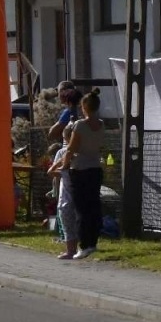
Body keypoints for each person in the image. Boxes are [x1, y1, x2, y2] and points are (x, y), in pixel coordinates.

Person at [62, 90, 106, 260]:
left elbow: (71, 148)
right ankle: (93, 242)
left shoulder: (80, 125)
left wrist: (65, 164)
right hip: (95, 167)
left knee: (81, 208)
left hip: (80, 169)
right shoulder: (101, 124)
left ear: (85, 107)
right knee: (94, 206)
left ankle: (84, 245)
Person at [48, 143, 79, 259]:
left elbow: (50, 172)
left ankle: (70, 251)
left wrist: (59, 161)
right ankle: (76, 249)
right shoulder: (77, 173)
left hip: (66, 202)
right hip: (77, 201)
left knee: (68, 228)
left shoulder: (64, 172)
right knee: (75, 226)